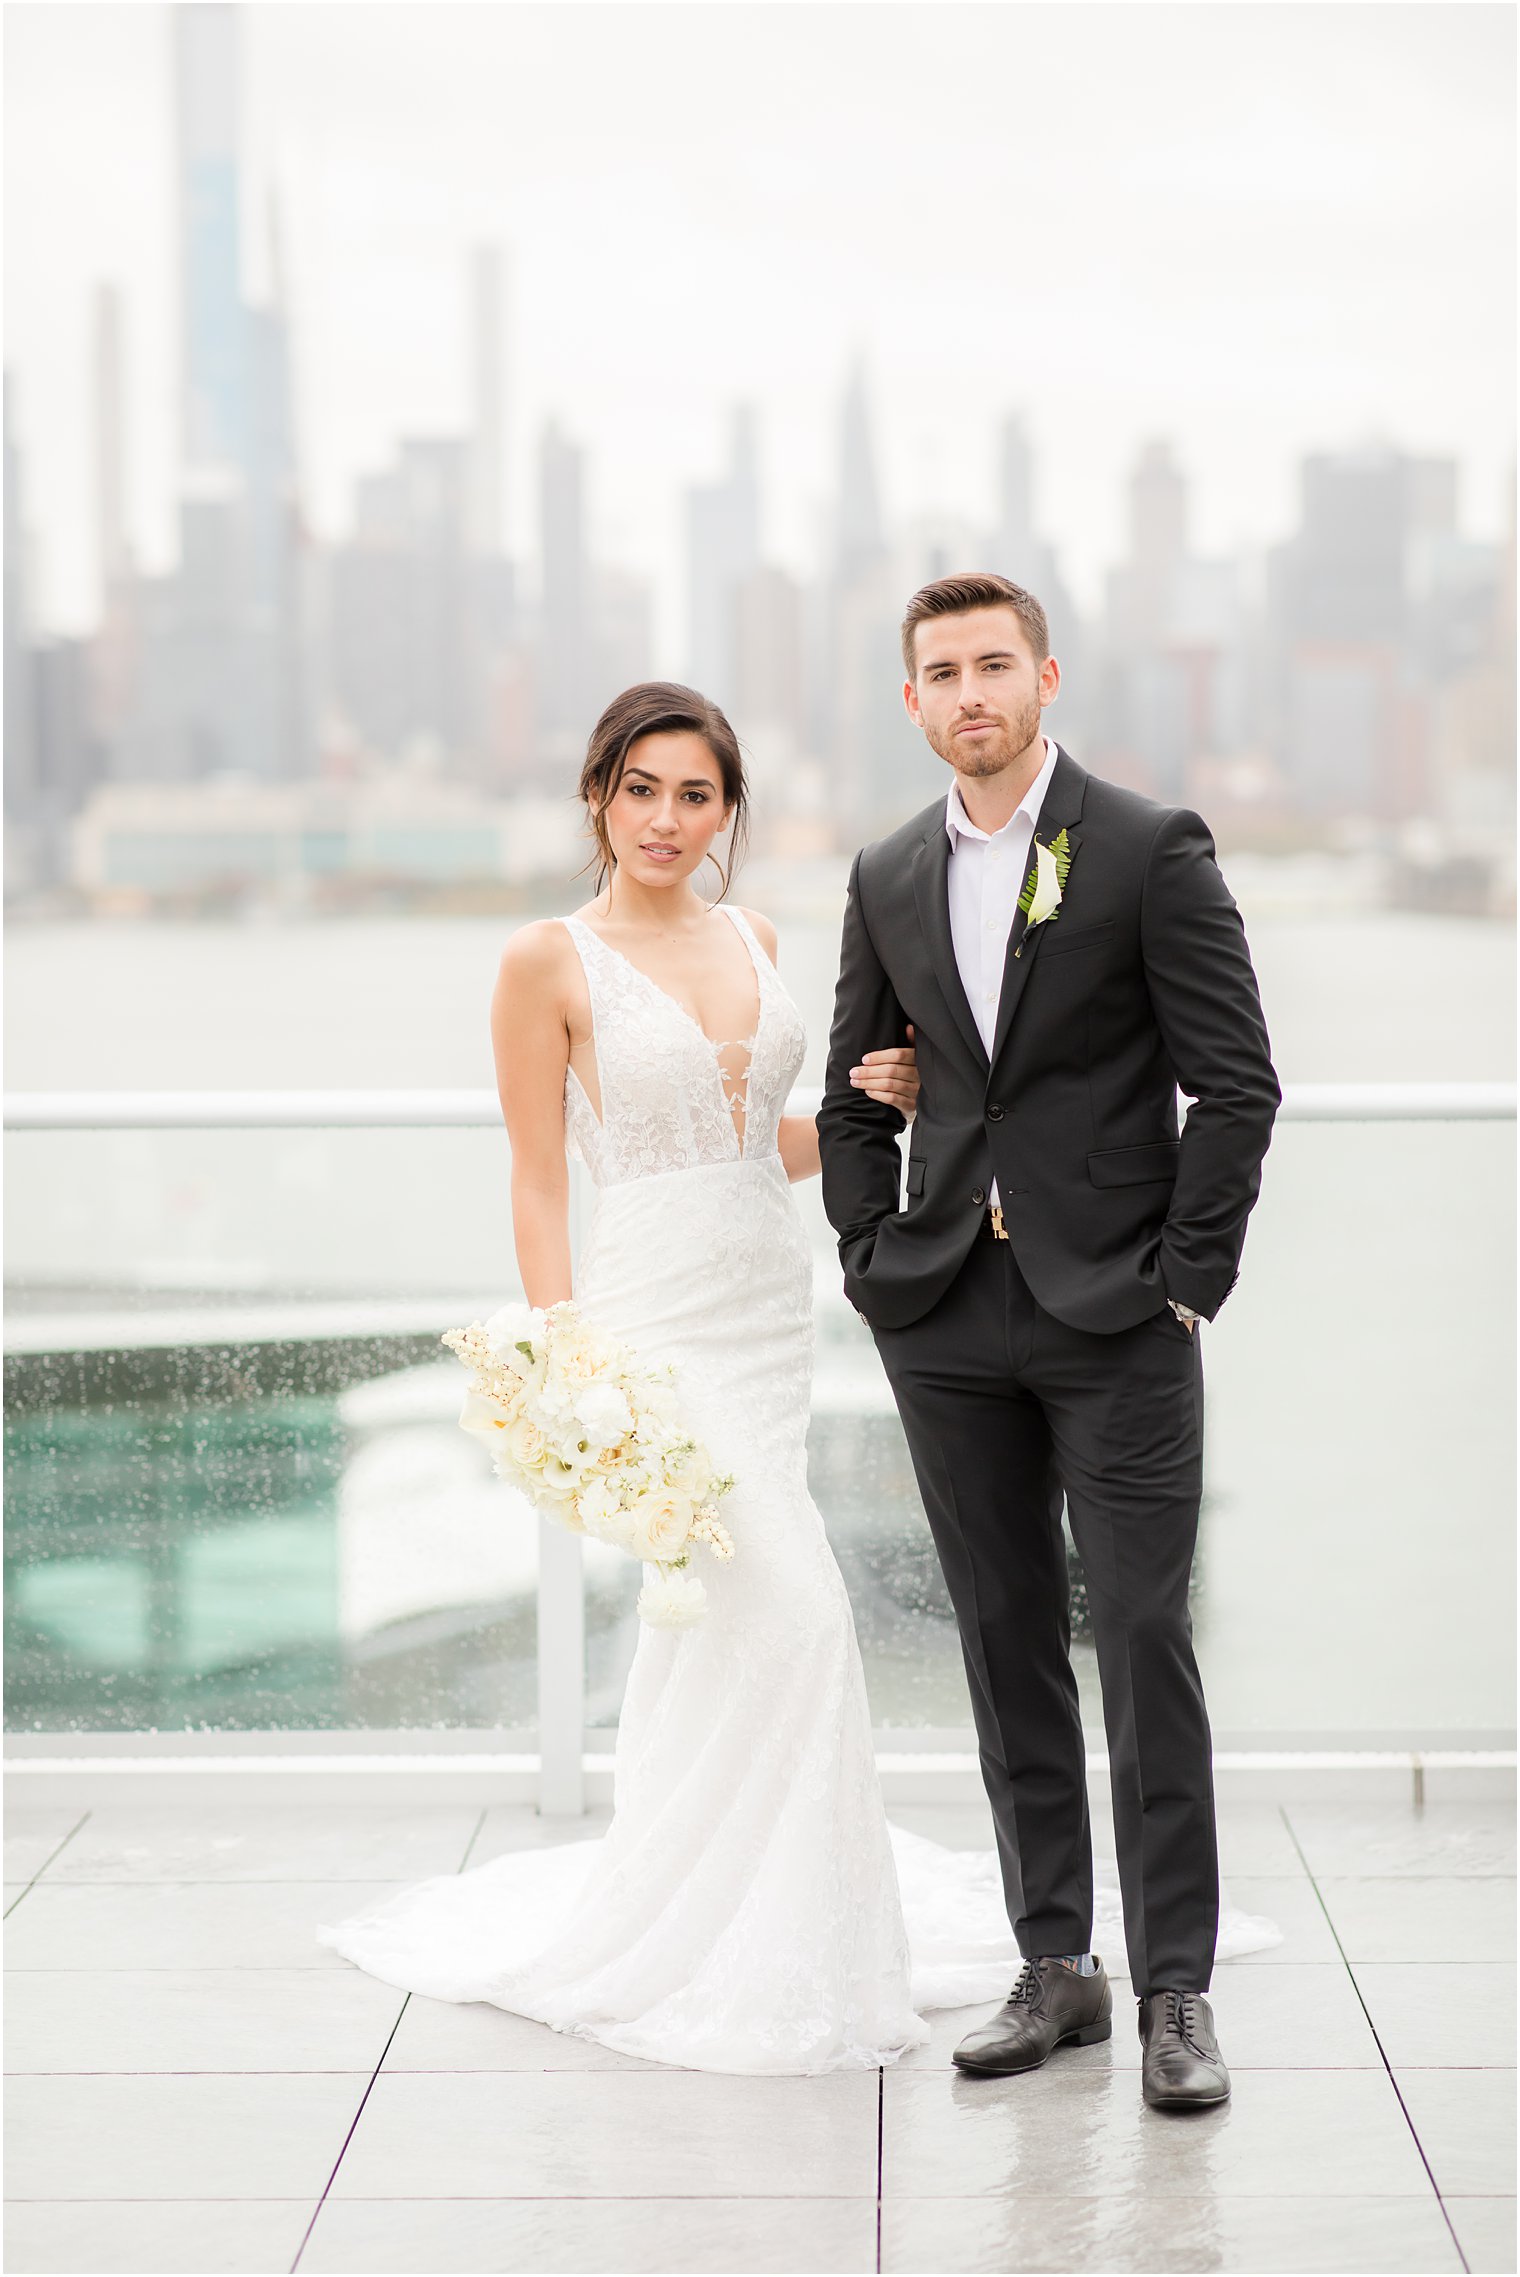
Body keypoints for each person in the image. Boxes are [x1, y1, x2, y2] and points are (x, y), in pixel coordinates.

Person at [318, 674, 1280, 2076]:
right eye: (639, 788)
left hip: (768, 1303)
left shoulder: (759, 931)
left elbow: (777, 1129)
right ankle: (785, 1934)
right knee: (807, 1616)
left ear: (727, 811)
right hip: (647, 1315)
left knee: (719, 1623)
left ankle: (796, 1912)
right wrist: (565, 1349)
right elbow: (538, 1172)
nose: (665, 816)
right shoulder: (545, 959)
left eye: (694, 793)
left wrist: (874, 1124)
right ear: (597, 794)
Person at [816, 572, 1283, 2110]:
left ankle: (1177, 1990)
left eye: (993, 663)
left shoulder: (1148, 849)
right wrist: (877, 1261)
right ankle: (1054, 1963)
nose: (970, 692)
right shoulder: (886, 871)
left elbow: (1237, 1085)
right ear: (912, 700)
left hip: (1121, 1316)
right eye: (940, 671)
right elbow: (848, 1094)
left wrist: (1186, 1281)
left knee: (1144, 1639)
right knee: (1005, 1639)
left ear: (1045, 675)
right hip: (948, 1312)